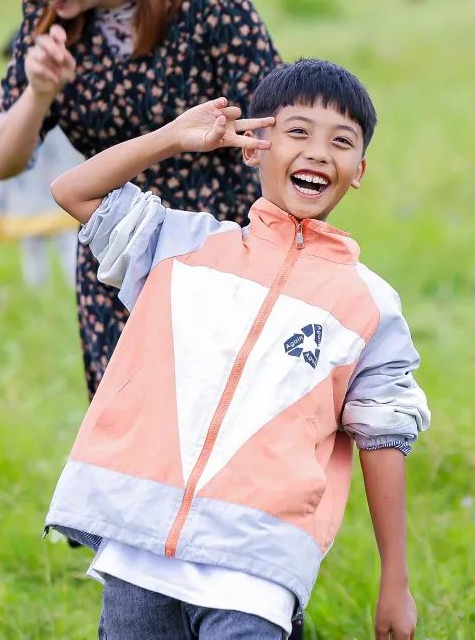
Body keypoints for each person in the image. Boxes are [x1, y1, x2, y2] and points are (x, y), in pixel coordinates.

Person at [45, 59, 431, 639]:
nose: (319, 152)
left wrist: (394, 582)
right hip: (139, 555)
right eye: (298, 132)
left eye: (341, 141)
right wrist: (174, 137)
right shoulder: (181, 247)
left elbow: (384, 440)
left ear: (359, 170)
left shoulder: (369, 305)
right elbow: (72, 190)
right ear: (255, 146)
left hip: (256, 572)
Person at [0, 0, 280, 399]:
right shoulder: (49, 21)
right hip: (115, 263)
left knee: (222, 420)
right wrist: (39, 93)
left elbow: (271, 127)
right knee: (130, 433)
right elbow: (0, 161)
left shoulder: (209, 1)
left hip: (218, 251)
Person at [0, 35, 82, 289]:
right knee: (32, 242)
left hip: (57, 180)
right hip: (26, 186)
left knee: (68, 238)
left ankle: (75, 285)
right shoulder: (15, 93)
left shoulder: (59, 85)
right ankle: (38, 289)